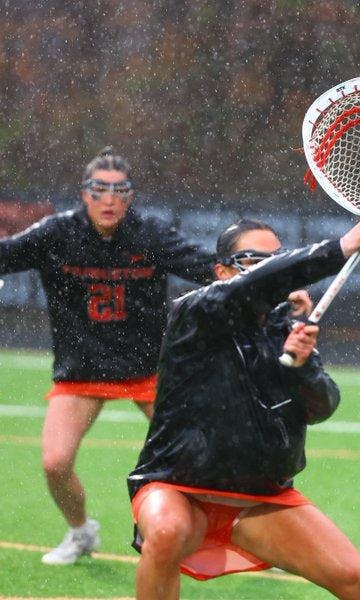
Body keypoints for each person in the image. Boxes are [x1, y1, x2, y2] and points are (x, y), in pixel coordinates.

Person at [127, 215, 360, 600]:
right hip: (178, 487)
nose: (266, 269)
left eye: (275, 259)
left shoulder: (285, 328)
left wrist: (300, 368)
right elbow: (256, 286)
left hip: (261, 498)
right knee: (165, 532)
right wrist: (340, 248)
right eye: (253, 261)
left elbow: (323, 406)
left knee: (359, 582)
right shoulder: (194, 312)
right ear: (221, 271)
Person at [0, 147, 216, 565]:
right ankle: (81, 532)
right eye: (99, 189)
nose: (109, 199)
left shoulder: (150, 234)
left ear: (131, 196)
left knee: (203, 455)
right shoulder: (56, 234)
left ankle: (242, 531)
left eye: (120, 190)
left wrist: (272, 279)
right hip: (82, 370)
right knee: (55, 463)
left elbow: (209, 267)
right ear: (85, 194)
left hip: (149, 368)